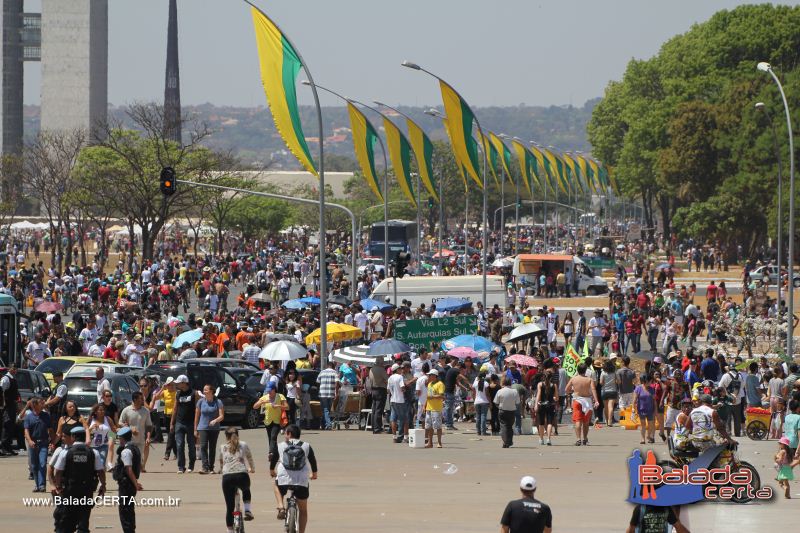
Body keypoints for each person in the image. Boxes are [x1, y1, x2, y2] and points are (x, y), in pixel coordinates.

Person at [53, 426, 106, 533]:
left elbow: (58, 472)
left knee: (68, 519)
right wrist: (103, 485)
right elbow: (100, 471)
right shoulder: (93, 452)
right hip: (87, 490)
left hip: (69, 490)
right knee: (83, 520)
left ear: (73, 437)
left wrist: (58, 487)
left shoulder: (66, 452)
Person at [270, 424, 318, 533]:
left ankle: (281, 506)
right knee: (303, 510)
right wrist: (314, 474)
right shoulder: (306, 445)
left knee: (276, 485)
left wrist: (272, 470)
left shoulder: (281, 445)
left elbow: (274, 460)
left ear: (289, 434)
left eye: (285, 433)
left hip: (284, 479)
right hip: (301, 480)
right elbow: (313, 460)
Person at [219, 427, 255, 531]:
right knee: (246, 489)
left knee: (229, 508)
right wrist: (252, 469)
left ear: (226, 436)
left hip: (227, 478)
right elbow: (250, 457)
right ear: (238, 435)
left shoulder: (222, 447)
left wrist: (222, 470)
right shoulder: (243, 444)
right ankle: (247, 510)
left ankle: (230, 530)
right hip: (242, 476)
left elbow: (221, 461)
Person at [113, 427, 142, 533]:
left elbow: (128, 469)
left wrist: (136, 484)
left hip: (126, 485)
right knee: (129, 509)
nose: (119, 440)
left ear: (122, 438)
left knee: (125, 510)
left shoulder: (126, 451)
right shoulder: (135, 447)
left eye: (119, 438)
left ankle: (128, 530)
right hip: (129, 485)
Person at [253, 381, 288, 466]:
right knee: (271, 438)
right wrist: (261, 402)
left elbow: (287, 407)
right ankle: (275, 454)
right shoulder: (265, 397)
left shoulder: (280, 396)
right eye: (268, 390)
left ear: (274, 390)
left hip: (277, 421)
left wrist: (278, 406)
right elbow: (254, 406)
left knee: (273, 436)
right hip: (267, 421)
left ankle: (271, 453)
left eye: (270, 390)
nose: (269, 392)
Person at [565, 363, 600, 446]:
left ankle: (578, 439)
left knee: (578, 421)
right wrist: (596, 400)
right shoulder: (589, 379)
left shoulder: (573, 379)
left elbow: (567, 389)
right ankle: (585, 438)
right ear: (585, 370)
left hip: (577, 400)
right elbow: (593, 389)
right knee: (586, 422)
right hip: (587, 401)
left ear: (577, 370)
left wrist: (573, 391)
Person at [170, 374, 198, 474]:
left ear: (184, 383)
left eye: (178, 382)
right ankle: (181, 467)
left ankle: (191, 465)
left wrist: (196, 424)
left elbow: (197, 409)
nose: (177, 384)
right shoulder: (178, 394)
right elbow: (175, 408)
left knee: (191, 445)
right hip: (179, 423)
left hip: (190, 423)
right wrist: (172, 423)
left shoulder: (194, 393)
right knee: (179, 445)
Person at [119, 392, 153, 472]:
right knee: (129, 458)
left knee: (137, 458)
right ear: (134, 399)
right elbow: (120, 423)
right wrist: (130, 428)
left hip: (141, 440)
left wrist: (148, 438)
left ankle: (139, 467)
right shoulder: (126, 410)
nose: (143, 401)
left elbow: (149, 426)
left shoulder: (146, 411)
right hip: (128, 440)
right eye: (141, 399)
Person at [24, 397, 53, 492]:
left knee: (42, 463)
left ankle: (42, 485)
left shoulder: (46, 415)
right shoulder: (28, 416)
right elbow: (26, 430)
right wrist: (29, 441)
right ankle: (37, 485)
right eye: (41, 403)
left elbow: (50, 429)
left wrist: (52, 441)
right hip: (33, 444)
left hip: (43, 443)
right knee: (34, 465)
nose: (43, 404)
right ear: (35, 405)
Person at [194, 384, 225, 474]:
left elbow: (222, 416)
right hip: (202, 427)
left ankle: (211, 467)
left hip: (214, 429)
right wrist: (195, 429)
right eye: (203, 390)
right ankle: (205, 467)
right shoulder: (200, 402)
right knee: (203, 446)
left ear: (211, 391)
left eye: (206, 390)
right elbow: (197, 416)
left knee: (212, 448)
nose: (204, 391)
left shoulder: (218, 402)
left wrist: (215, 420)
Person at [494, 377, 521, 448]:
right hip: (512, 411)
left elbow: (496, 402)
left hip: (502, 410)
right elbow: (518, 402)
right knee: (509, 426)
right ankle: (509, 441)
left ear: (503, 383)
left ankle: (505, 442)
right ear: (510, 383)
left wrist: (499, 407)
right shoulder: (515, 391)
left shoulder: (500, 391)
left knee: (503, 426)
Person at [534, 371, 558, 445]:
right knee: (550, 422)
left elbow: (538, 395)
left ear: (543, 377)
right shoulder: (554, 385)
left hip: (541, 405)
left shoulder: (540, 384)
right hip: (551, 405)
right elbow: (557, 397)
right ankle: (548, 439)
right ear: (551, 377)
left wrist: (536, 405)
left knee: (541, 423)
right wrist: (554, 398)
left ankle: (541, 439)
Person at [1, 364, 20, 455]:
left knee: (11, 426)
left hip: (12, 404)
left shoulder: (13, 378)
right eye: (13, 368)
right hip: (7, 405)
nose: (15, 370)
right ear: (9, 368)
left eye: (16, 368)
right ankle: (4, 447)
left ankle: (8, 447)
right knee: (7, 425)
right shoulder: (6, 379)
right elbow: (1, 391)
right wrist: (3, 403)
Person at [387, 363, 407, 443]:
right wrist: (404, 390)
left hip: (393, 400)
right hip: (400, 400)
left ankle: (394, 437)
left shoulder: (390, 378)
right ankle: (405, 437)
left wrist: (393, 391)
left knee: (393, 419)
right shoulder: (400, 377)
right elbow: (402, 388)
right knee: (405, 419)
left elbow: (388, 390)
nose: (401, 370)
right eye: (400, 368)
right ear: (397, 369)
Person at [424, 369, 445, 448]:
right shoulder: (430, 384)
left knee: (438, 426)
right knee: (429, 426)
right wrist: (425, 406)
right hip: (429, 408)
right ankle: (430, 443)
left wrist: (432, 397)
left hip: (436, 408)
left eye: (430, 375)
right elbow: (428, 396)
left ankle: (439, 442)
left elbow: (442, 396)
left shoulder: (440, 384)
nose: (429, 376)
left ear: (435, 376)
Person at [633, 374, 656, 444]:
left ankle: (649, 436)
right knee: (643, 425)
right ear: (645, 381)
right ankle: (643, 439)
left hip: (650, 410)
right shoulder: (638, 388)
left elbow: (654, 401)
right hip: (641, 410)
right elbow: (634, 400)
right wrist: (633, 410)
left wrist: (655, 410)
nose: (651, 383)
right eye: (650, 381)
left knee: (650, 425)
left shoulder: (652, 389)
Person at [316, 361, 338, 431]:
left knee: (325, 409)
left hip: (322, 393)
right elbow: (337, 382)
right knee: (327, 410)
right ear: (333, 366)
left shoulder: (322, 372)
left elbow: (317, 382)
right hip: (330, 393)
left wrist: (319, 390)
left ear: (327, 366)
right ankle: (328, 425)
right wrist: (336, 392)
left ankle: (323, 424)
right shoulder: (334, 372)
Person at [472, 371, 490, 436]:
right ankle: (483, 432)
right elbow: (487, 394)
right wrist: (490, 402)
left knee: (478, 417)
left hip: (477, 402)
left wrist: (474, 400)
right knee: (483, 416)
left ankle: (478, 431)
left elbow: (473, 393)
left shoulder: (475, 383)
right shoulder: (486, 383)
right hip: (484, 402)